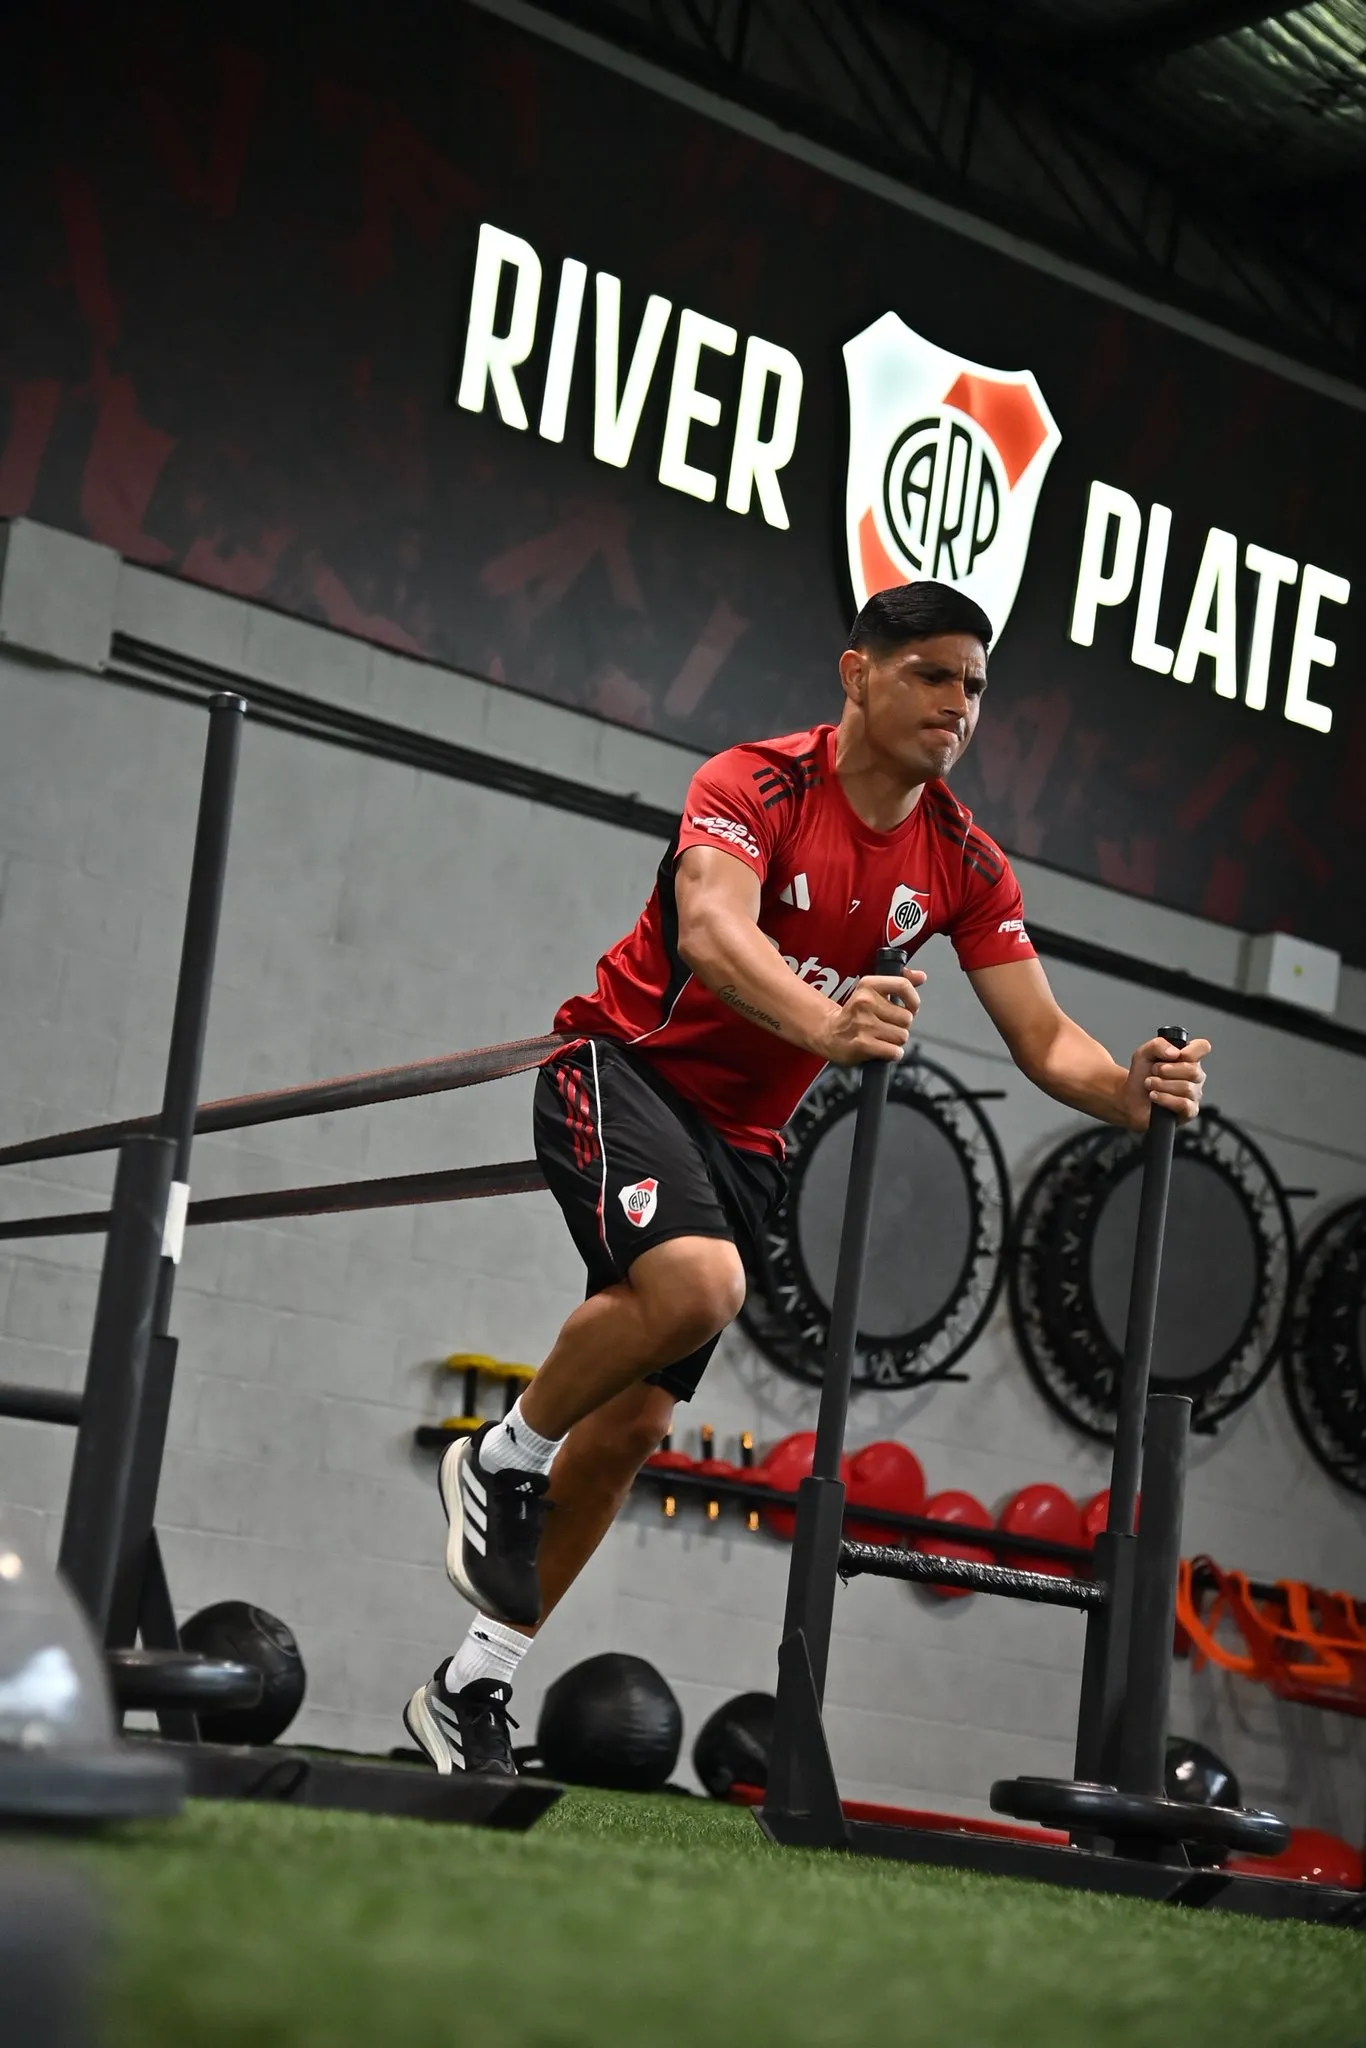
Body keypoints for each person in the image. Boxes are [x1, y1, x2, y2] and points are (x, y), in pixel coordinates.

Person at [402, 578, 1210, 1774]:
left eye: (975, 685)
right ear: (858, 674)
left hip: (740, 1142)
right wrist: (828, 1029)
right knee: (698, 1284)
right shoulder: (754, 783)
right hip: (619, 1068)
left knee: (629, 1426)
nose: (958, 705)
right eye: (932, 674)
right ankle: (505, 1455)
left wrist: (1131, 1090)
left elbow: (1045, 1040)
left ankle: (469, 1686)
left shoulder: (961, 860)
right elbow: (713, 937)